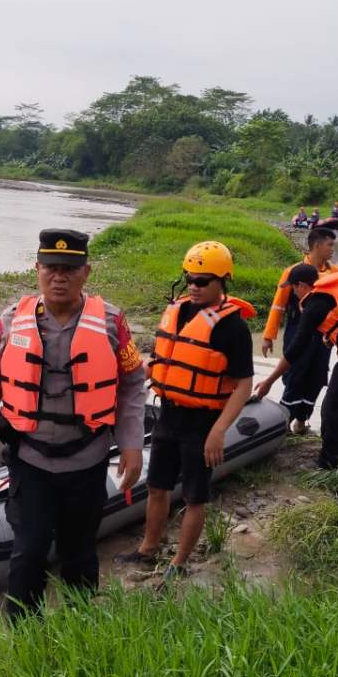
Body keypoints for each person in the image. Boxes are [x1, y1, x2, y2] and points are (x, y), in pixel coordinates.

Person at [0, 229, 147, 618]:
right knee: (28, 551)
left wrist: (131, 443)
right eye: (51, 268)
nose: (60, 277)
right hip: (31, 459)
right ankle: (24, 637)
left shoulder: (112, 323)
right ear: (37, 269)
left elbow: (132, 384)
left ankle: (80, 625)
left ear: (86, 273)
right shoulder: (11, 321)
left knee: (80, 551)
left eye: (70, 269)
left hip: (87, 458)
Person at [117, 241, 255, 581]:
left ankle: (178, 563)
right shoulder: (178, 311)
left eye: (203, 280)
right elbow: (163, 359)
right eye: (190, 279)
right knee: (157, 487)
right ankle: (148, 548)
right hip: (169, 415)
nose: (194, 286)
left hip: (202, 424)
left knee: (195, 497)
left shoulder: (232, 327)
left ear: (222, 281)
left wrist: (219, 431)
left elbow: (243, 385)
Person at [254, 264, 338, 469]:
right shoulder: (334, 289)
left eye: (292, 288)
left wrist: (269, 381)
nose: (293, 293)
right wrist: (332, 337)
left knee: (332, 405)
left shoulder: (315, 303)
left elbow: (295, 348)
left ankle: (328, 459)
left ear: (301, 285)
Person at [261, 227, 338, 433]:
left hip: (324, 334)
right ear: (316, 246)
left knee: (317, 375)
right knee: (295, 372)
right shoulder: (293, 272)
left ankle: (302, 420)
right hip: (297, 328)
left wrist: (337, 339)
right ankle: (284, 422)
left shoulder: (334, 273)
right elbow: (278, 305)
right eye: (330, 244)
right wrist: (269, 336)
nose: (333, 249)